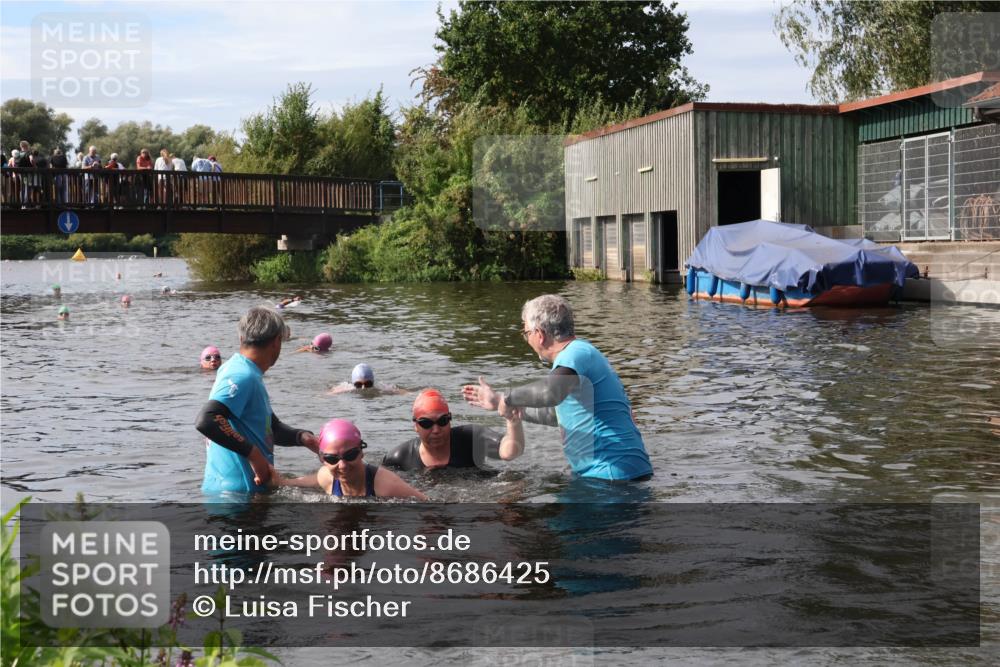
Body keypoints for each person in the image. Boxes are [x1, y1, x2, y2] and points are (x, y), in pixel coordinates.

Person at [462, 294, 652, 482]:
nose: (528, 340)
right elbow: (557, 415)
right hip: (618, 474)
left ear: (540, 334)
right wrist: (500, 403)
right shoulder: (581, 357)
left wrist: (509, 398)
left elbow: (549, 393)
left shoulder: (575, 353)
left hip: (610, 476)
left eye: (527, 333)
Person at [194, 306, 318, 495]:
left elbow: (269, 428)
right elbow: (208, 419)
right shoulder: (242, 375)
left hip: (241, 493)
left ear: (241, 338)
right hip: (237, 498)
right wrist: (254, 455)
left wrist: (302, 437)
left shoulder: (243, 371)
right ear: (277, 342)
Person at [277, 419, 426, 499]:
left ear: (361, 452)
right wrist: (279, 482)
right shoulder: (327, 476)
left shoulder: (386, 485)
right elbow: (312, 480)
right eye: (332, 459)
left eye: (350, 455)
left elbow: (427, 504)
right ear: (322, 459)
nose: (342, 465)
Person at [382, 389, 524, 471]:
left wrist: (511, 418)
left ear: (450, 420)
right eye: (426, 423)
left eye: (443, 421)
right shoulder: (398, 458)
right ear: (416, 426)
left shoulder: (471, 438)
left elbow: (510, 452)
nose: (436, 430)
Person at [328, 363, 408, 395]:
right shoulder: (345, 388)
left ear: (373, 382)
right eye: (358, 385)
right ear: (353, 384)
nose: (363, 388)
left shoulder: (382, 388)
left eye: (368, 384)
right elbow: (328, 394)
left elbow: (404, 392)